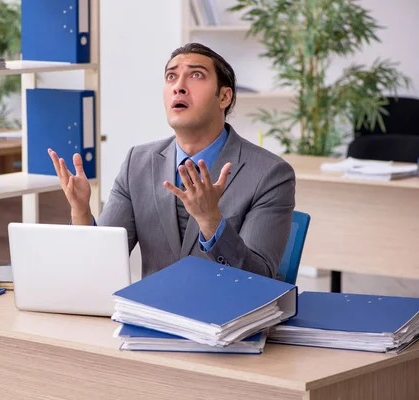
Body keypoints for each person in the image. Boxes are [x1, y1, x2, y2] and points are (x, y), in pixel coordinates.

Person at [48, 42, 296, 279]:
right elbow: (100, 263)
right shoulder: (138, 162)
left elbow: (259, 280)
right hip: (152, 315)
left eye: (196, 75)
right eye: (171, 77)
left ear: (224, 97)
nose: (179, 86)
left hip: (224, 317)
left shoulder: (270, 174)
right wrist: (80, 211)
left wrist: (211, 221)